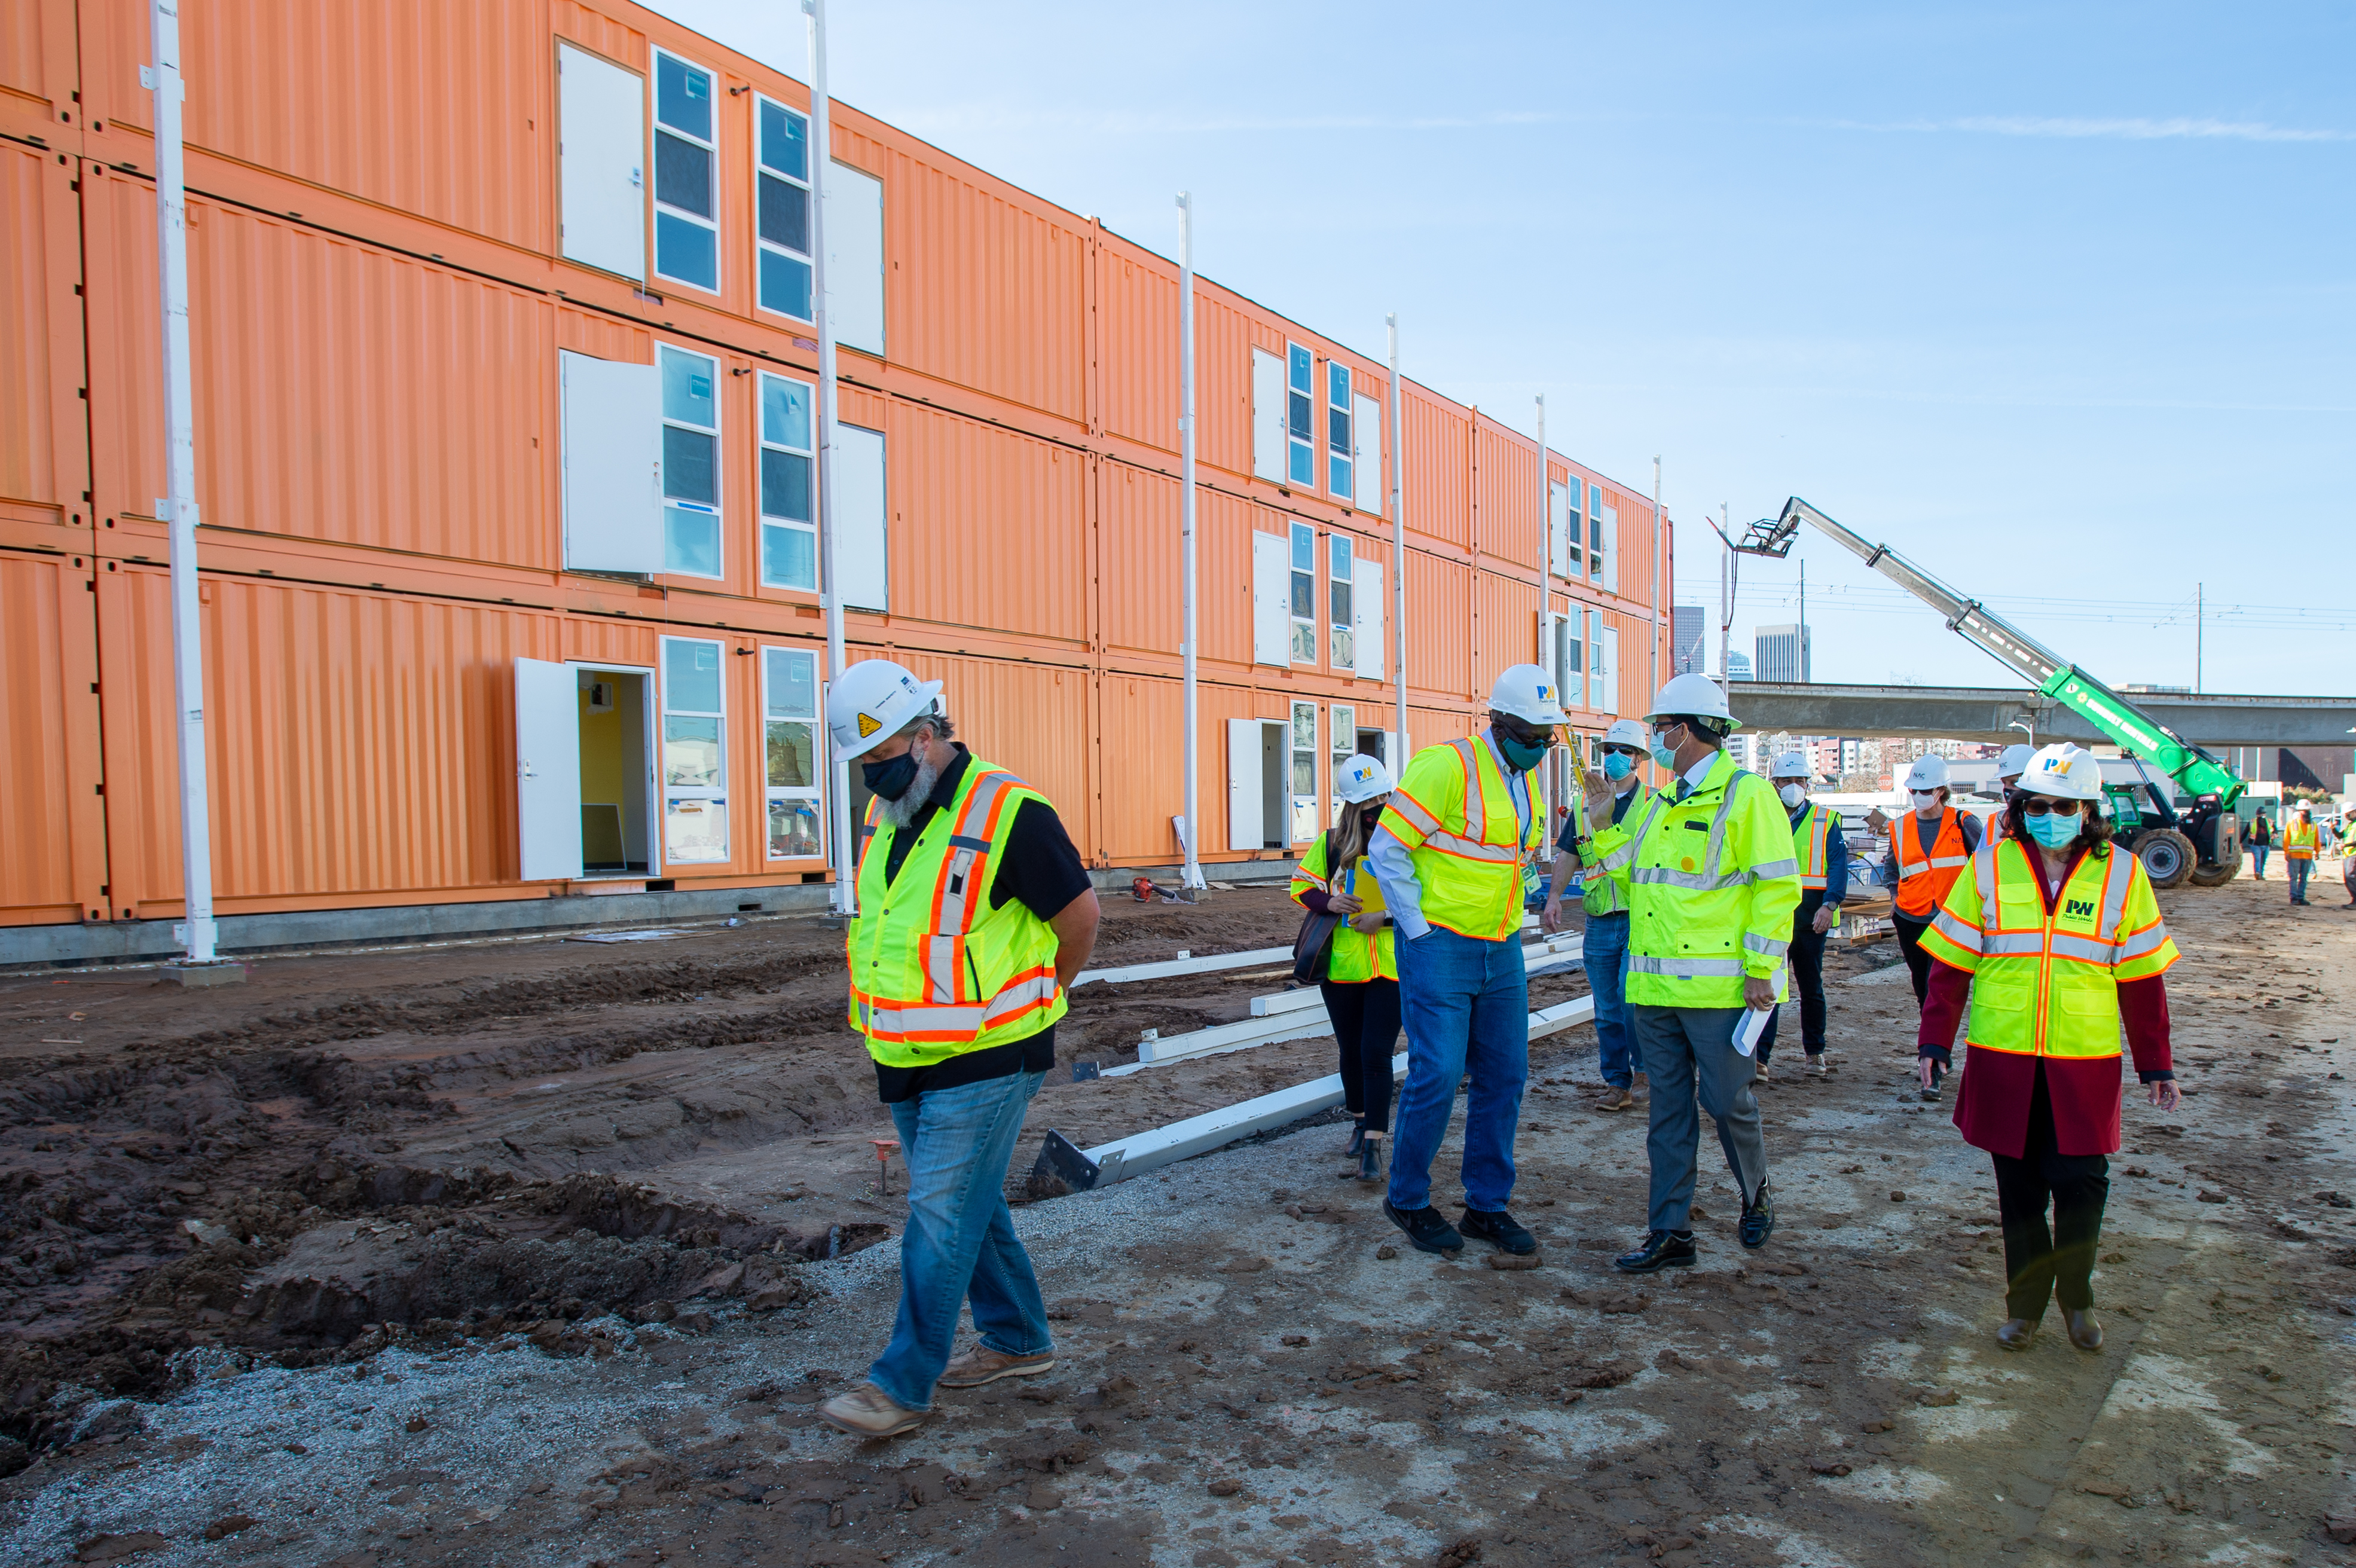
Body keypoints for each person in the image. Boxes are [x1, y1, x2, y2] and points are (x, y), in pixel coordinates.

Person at [815, 661, 1101, 1439]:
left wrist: (1048, 996)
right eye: (863, 765)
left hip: (991, 1052)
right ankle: (1019, 1338)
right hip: (906, 1055)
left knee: (939, 1213)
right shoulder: (893, 817)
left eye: (883, 758)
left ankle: (901, 1385)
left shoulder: (1011, 812)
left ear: (925, 733)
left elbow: (1079, 919)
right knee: (969, 1204)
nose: (874, 776)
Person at [1913, 743, 2180, 1353]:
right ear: (2019, 806)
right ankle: (2024, 1308)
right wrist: (1933, 1039)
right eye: (2036, 804)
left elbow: (2141, 977)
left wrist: (2155, 1062)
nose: (2048, 814)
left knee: (2082, 1183)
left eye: (2062, 805)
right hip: (2002, 1057)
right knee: (2020, 1191)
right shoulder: (1988, 866)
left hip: (2082, 1061)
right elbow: (1950, 966)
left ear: (2087, 810)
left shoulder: (2121, 872)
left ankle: (2077, 1295)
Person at [1591, 673, 1801, 1274]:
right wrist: (1602, 820)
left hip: (1718, 991)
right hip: (1653, 990)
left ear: (1681, 730)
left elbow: (1776, 886)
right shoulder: (1661, 802)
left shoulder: (1747, 795)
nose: (1653, 740)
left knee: (1727, 1100)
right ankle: (1669, 1231)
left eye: (1658, 730)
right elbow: (1623, 875)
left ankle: (1755, 1191)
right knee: (1668, 1113)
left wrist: (1761, 967)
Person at [1368, 665, 1563, 1256]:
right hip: (1441, 945)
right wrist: (1417, 930)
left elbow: (1513, 856)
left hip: (1499, 946)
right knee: (1440, 1072)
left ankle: (1485, 1206)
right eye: (1529, 736)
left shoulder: (1521, 780)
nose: (1538, 748)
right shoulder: (1444, 766)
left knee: (1505, 1076)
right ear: (1498, 724)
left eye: (1545, 739)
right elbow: (1386, 849)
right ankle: (1406, 1198)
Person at [1290, 754, 1402, 1182]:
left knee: (1376, 1052)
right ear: (1352, 804)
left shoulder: (1408, 840)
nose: (1377, 804)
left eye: (1381, 795)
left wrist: (1386, 917)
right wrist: (1330, 902)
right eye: (1368, 800)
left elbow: (1428, 898)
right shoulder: (1332, 842)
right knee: (1350, 1051)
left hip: (1390, 966)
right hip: (1341, 967)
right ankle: (1359, 1120)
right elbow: (1301, 886)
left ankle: (1373, 1144)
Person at [1544, 717, 1654, 1112]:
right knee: (1606, 1007)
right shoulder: (1581, 804)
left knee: (1631, 999)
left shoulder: (1653, 804)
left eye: (1624, 751)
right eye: (1609, 750)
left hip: (1641, 916)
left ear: (1639, 758)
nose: (1614, 758)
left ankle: (1644, 1070)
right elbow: (1569, 854)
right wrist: (1554, 896)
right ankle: (1616, 1081)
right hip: (1600, 918)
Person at [1871, 755, 1983, 1095]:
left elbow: (1986, 868)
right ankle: (1936, 1054)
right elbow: (1892, 868)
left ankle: (1936, 1059)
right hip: (1911, 918)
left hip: (1953, 921)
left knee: (1943, 990)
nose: (1918, 795)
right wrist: (1894, 900)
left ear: (1941, 791)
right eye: (1913, 790)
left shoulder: (1964, 822)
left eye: (1925, 790)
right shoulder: (1899, 826)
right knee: (1925, 989)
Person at [1753, 750, 1847, 1081]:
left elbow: (1838, 865)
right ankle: (1760, 1059)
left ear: (1808, 783)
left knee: (1811, 988)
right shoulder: (1763, 816)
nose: (1794, 786)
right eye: (1787, 781)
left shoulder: (1826, 820)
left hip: (1810, 919)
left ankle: (1815, 1052)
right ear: (1774, 784)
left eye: (1800, 780)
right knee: (1769, 988)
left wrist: (1830, 904)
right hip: (1773, 919)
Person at [1987, 743, 2034, 843]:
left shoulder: (2049, 822)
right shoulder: (1996, 822)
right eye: (2004, 783)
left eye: (2014, 783)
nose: (2007, 790)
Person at [2285, 806, 2318, 905]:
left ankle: (2301, 898)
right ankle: (2294, 898)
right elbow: (2287, 839)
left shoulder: (2313, 825)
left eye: (2307, 811)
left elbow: (2316, 838)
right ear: (2299, 812)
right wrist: (2287, 852)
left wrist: (2317, 851)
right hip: (2294, 855)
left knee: (2304, 878)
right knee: (2294, 878)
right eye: (2304, 811)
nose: (2306, 813)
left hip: (2307, 856)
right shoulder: (2292, 824)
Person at [2247, 811, 2272, 881]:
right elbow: (2246, 832)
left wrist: (2275, 834)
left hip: (2266, 845)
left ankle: (2261, 874)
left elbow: (2274, 830)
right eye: (2260, 814)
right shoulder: (2252, 822)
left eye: (2263, 814)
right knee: (2258, 859)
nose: (2261, 816)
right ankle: (2257, 873)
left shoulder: (2269, 822)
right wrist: (2240, 841)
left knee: (2263, 860)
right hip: (2255, 845)